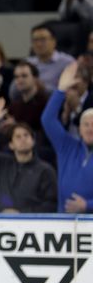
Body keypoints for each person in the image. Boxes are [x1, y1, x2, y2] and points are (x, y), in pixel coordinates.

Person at [0, 100, 57, 213]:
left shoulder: (45, 170)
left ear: (33, 141)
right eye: (18, 137)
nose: (23, 139)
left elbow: (51, 205)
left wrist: (22, 214)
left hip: (33, 227)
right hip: (1, 225)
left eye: (26, 135)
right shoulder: (3, 163)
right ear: (11, 145)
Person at [41, 61, 93, 213]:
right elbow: (48, 119)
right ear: (80, 129)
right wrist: (60, 90)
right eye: (86, 125)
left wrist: (87, 205)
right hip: (64, 223)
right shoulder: (67, 147)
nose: (90, 129)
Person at [25, 25, 75, 92]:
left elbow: (70, 90)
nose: (39, 44)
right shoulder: (27, 63)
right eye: (35, 40)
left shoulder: (67, 62)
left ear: (54, 41)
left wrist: (43, 88)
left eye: (43, 39)